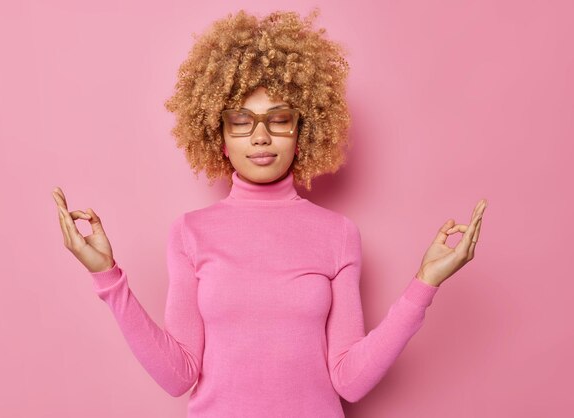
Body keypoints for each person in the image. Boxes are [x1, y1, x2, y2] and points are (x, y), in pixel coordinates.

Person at [52, 8, 487, 417]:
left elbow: (350, 381)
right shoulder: (189, 233)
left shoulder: (338, 234)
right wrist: (107, 275)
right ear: (219, 137)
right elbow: (176, 375)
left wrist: (425, 283)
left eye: (279, 120)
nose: (260, 137)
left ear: (302, 131)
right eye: (241, 121)